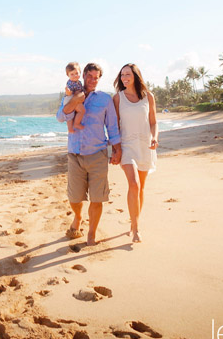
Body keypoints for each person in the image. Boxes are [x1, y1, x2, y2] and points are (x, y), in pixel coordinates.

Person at [55, 62, 122, 247]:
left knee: (97, 197)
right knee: (74, 198)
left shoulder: (105, 99)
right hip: (75, 154)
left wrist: (117, 150)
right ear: (83, 75)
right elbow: (61, 117)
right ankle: (78, 217)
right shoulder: (71, 94)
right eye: (90, 76)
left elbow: (112, 127)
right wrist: (76, 101)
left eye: (96, 77)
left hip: (97, 154)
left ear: (99, 79)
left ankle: (91, 234)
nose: (93, 80)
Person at [112, 63, 159, 243]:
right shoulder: (118, 98)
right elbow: (114, 125)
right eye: (122, 75)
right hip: (127, 146)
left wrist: (154, 137)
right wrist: (116, 149)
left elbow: (154, 122)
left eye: (128, 75)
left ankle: (134, 222)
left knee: (141, 187)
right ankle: (136, 229)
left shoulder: (148, 97)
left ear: (136, 76)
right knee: (133, 184)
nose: (124, 78)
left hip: (145, 145)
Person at [62, 61, 86, 133]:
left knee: (70, 115)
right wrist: (68, 91)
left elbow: (81, 90)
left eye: (76, 73)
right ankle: (76, 123)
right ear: (68, 75)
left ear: (80, 73)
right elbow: (69, 93)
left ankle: (70, 129)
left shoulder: (79, 82)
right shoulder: (70, 82)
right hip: (70, 98)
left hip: (73, 99)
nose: (75, 75)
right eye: (72, 74)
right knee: (82, 111)